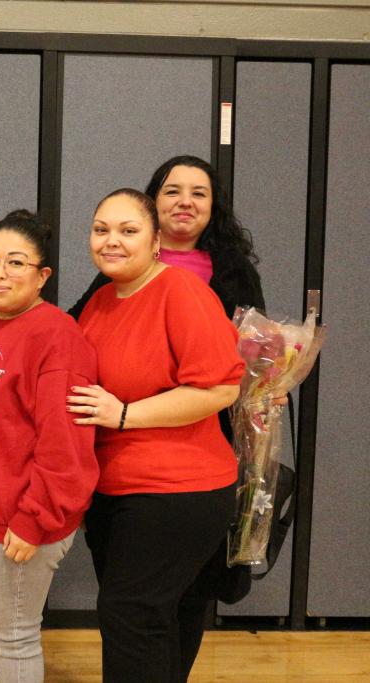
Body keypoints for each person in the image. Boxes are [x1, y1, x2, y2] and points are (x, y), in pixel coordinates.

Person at [68, 156, 265, 679]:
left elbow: (222, 386)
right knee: (152, 619)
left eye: (128, 230)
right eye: (101, 229)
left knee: (130, 614)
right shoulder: (101, 300)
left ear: (154, 239)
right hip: (115, 488)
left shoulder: (183, 293)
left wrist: (125, 413)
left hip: (176, 489)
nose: (111, 240)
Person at [0, 210, 98, 683]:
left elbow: (64, 443)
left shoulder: (57, 336)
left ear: (42, 274)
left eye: (15, 262)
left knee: (13, 637)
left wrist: (34, 518)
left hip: (17, 520)